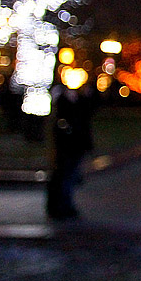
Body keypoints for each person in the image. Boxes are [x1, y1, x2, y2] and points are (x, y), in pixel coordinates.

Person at [46, 82, 96, 220]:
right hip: (69, 147)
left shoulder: (76, 106)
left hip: (73, 146)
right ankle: (62, 206)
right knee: (65, 176)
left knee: (68, 176)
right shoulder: (66, 109)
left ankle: (63, 206)